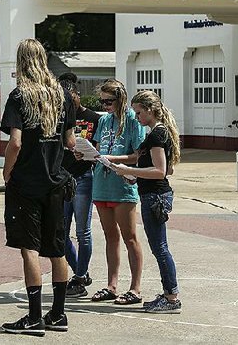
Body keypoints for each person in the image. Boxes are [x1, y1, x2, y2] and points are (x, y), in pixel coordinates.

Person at [1, 39, 76, 336]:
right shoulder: (62, 96)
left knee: (29, 248)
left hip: (27, 183)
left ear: (21, 62)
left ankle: (33, 317)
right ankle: (58, 313)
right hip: (56, 180)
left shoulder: (19, 96)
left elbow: (15, 142)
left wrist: (7, 172)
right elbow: (70, 141)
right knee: (57, 249)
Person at [111, 90, 182, 313]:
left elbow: (160, 171)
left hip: (155, 196)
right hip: (154, 194)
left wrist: (130, 170)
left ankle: (171, 298)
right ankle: (170, 295)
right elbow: (167, 168)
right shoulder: (160, 132)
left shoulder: (156, 135)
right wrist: (135, 175)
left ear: (150, 110)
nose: (137, 117)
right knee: (160, 247)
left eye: (139, 112)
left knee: (160, 248)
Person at [90, 78, 145, 305]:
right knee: (110, 236)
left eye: (109, 101)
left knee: (129, 237)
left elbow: (138, 155)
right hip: (101, 184)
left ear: (120, 99)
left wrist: (112, 158)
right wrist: (87, 154)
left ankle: (135, 287)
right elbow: (97, 148)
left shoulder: (133, 120)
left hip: (122, 185)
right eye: (102, 102)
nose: (105, 106)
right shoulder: (104, 121)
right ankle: (112, 285)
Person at [58, 76, 99, 298]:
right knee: (61, 232)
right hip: (63, 179)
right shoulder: (60, 118)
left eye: (69, 98)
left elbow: (100, 150)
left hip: (83, 178)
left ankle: (80, 276)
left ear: (77, 95)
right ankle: (79, 274)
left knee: (83, 231)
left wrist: (89, 154)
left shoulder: (92, 118)